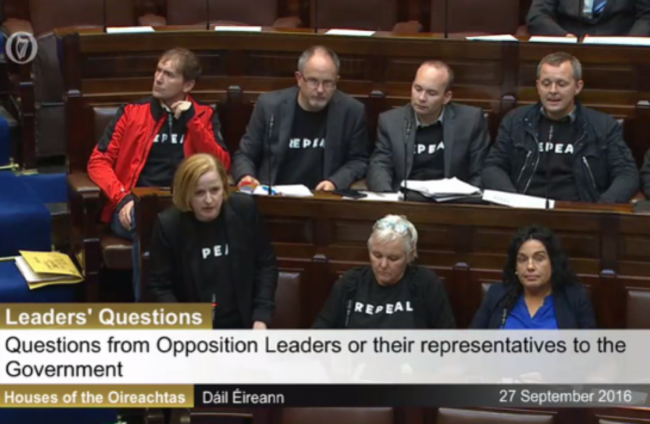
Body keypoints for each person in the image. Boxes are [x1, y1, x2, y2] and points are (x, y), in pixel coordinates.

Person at [87, 48, 230, 301]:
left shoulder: (203, 115)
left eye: (169, 74)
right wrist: (122, 198)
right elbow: (98, 162)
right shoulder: (132, 112)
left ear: (188, 85)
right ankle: (152, 313)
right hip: (135, 206)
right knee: (152, 224)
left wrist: (192, 123)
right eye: (158, 71)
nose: (158, 78)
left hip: (187, 205)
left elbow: (220, 164)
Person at [482, 52, 639, 203]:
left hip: (580, 212)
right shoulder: (515, 120)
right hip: (524, 209)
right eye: (546, 83)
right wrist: (512, 201)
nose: (553, 91)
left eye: (561, 84)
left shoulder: (603, 126)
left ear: (577, 87)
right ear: (538, 86)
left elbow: (627, 173)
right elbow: (494, 166)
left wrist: (601, 209)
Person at [147, 153, 277, 329]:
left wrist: (261, 318)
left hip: (243, 326)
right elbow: (159, 287)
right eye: (199, 193)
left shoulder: (244, 210)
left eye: (215, 190)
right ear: (186, 193)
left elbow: (265, 266)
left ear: (224, 187)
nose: (209, 200)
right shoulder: (169, 225)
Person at [231, 45, 369, 191]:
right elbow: (244, 155)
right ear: (299, 78)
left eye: (328, 82)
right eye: (313, 81)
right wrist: (246, 176)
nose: (320, 90)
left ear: (336, 80)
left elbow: (359, 160)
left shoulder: (352, 111)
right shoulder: (269, 106)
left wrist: (335, 182)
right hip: (274, 194)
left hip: (322, 197)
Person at [313, 215, 455, 329]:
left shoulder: (425, 283)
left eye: (393, 258)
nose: (383, 265)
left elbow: (448, 339)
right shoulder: (351, 282)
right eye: (377, 255)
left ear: (410, 256)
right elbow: (320, 332)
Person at [367, 61, 490, 193]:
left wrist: (467, 199)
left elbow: (480, 171)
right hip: (405, 198)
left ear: (446, 97)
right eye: (418, 89)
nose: (421, 98)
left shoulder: (470, 121)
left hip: (451, 199)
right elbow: (380, 165)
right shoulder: (391, 121)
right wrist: (388, 198)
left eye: (431, 93)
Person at [471, 225, 596, 329]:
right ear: (515, 266)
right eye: (522, 259)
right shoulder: (496, 294)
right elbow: (471, 344)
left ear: (553, 263)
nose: (530, 266)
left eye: (539, 258)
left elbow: (589, 348)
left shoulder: (576, 298)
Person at [527, 0, 650, 37]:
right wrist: (564, 37)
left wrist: (630, 44)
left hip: (619, 47)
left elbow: (646, 15)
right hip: (566, 50)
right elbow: (537, 15)